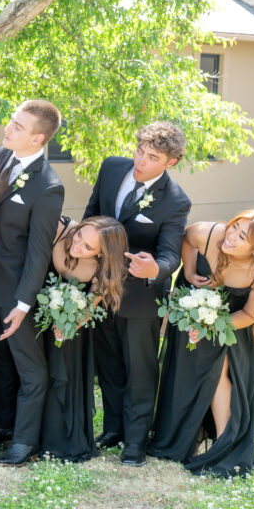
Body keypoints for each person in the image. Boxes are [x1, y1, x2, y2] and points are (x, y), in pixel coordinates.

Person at [83, 121, 191, 466]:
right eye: (139, 151)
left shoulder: (175, 201)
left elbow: (170, 254)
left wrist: (155, 270)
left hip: (141, 297)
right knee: (109, 365)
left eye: (152, 157)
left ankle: (135, 443)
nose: (140, 161)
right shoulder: (112, 167)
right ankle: (113, 429)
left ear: (170, 163)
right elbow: (91, 216)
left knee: (140, 371)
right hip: (100, 291)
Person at [149, 211, 254, 477]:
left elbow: (248, 315)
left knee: (222, 367)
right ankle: (185, 435)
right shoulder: (210, 234)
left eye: (242, 236)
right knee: (190, 370)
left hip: (238, 325)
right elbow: (187, 238)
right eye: (235, 226)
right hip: (195, 305)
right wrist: (189, 271)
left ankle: (224, 443)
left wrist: (211, 326)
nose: (231, 236)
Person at [0, 100, 65, 466]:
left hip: (16, 291)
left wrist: (23, 303)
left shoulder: (49, 187)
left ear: (39, 138)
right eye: (12, 122)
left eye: (17, 126)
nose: (8, 129)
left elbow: (38, 252)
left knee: (30, 369)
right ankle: (1, 426)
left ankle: (25, 441)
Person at [38, 216, 128, 462]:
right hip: (37, 315)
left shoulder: (102, 269)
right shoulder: (59, 228)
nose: (77, 246)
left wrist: (67, 325)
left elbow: (88, 308)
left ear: (101, 254)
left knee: (65, 376)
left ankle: (62, 439)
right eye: (79, 235)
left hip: (72, 326)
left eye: (88, 248)